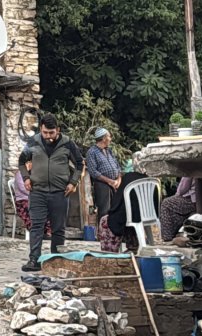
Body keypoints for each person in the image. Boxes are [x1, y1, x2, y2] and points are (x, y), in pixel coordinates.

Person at [18, 113, 83, 272]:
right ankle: (34, 260)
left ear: (58, 130)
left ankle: (56, 260)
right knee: (37, 226)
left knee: (58, 228)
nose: (48, 136)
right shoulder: (33, 142)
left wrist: (73, 182)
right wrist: (26, 178)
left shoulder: (68, 143)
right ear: (41, 129)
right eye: (45, 132)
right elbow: (21, 161)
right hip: (37, 191)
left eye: (51, 133)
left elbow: (80, 164)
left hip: (60, 192)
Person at [98, 170, 152, 253]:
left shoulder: (128, 178)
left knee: (106, 220)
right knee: (128, 216)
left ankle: (109, 252)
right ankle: (133, 247)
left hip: (131, 216)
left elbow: (118, 203)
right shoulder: (151, 180)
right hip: (149, 214)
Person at [86, 128, 122, 238]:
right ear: (104, 138)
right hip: (102, 184)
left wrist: (118, 180)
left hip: (115, 183)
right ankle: (103, 235)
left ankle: (114, 233)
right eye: (109, 136)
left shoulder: (109, 150)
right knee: (104, 210)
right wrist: (109, 181)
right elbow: (93, 172)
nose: (110, 139)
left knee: (116, 209)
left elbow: (117, 167)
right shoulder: (92, 152)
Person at [13, 163, 52, 238]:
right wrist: (36, 193)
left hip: (34, 198)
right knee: (31, 208)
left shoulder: (32, 173)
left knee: (46, 206)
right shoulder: (19, 174)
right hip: (22, 201)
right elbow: (23, 189)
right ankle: (36, 232)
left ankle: (47, 231)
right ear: (28, 163)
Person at [160, 177, 199, 241]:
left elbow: (182, 189)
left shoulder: (190, 169)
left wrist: (177, 194)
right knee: (173, 206)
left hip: (191, 200)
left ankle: (167, 236)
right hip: (195, 200)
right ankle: (176, 234)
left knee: (166, 203)